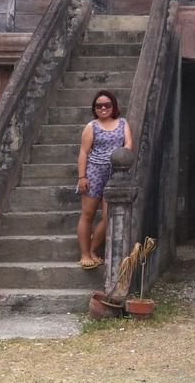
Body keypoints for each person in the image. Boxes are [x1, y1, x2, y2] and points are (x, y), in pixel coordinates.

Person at [76, 89, 133, 269]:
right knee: (88, 214)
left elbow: (128, 144)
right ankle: (85, 254)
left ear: (113, 106)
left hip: (115, 173)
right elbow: (83, 152)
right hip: (94, 172)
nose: (103, 108)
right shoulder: (91, 126)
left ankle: (93, 249)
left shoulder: (122, 123)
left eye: (107, 105)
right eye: (99, 105)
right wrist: (82, 176)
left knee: (109, 216)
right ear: (94, 108)